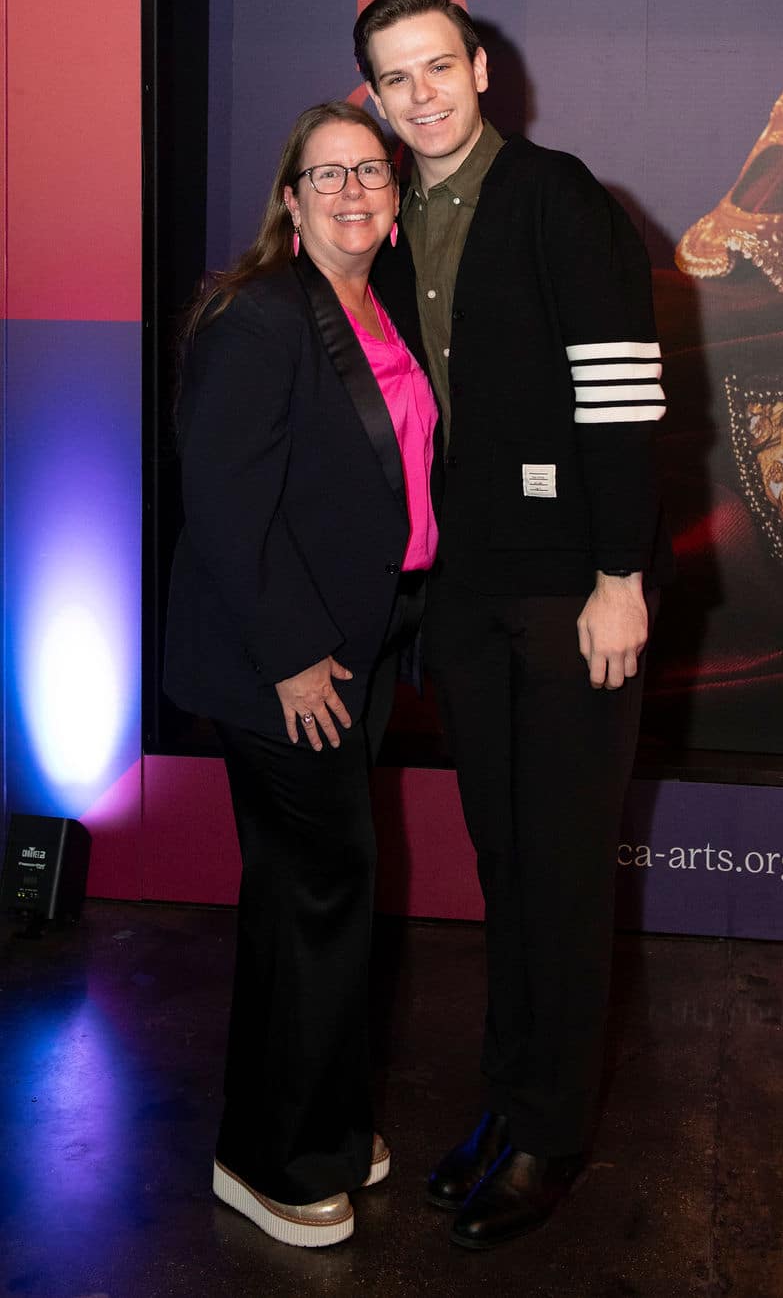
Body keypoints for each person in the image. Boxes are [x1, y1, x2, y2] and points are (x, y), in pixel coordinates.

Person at [356, 0, 670, 1250]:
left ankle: (553, 1130)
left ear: (480, 67)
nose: (421, 94)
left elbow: (621, 392)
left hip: (571, 593)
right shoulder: (391, 221)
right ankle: (510, 1097)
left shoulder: (557, 196)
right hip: (465, 594)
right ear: (375, 96)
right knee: (505, 862)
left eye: (438, 66)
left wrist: (619, 576)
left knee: (563, 867)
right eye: (397, 78)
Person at [163, 100, 439, 1247]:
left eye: (369, 171)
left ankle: (319, 1122)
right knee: (321, 893)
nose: (350, 191)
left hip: (356, 648)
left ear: (395, 193)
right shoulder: (261, 315)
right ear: (290, 200)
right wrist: (289, 659)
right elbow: (224, 505)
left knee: (309, 893)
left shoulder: (382, 304)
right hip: (284, 664)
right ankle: (269, 1160)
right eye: (325, 175)